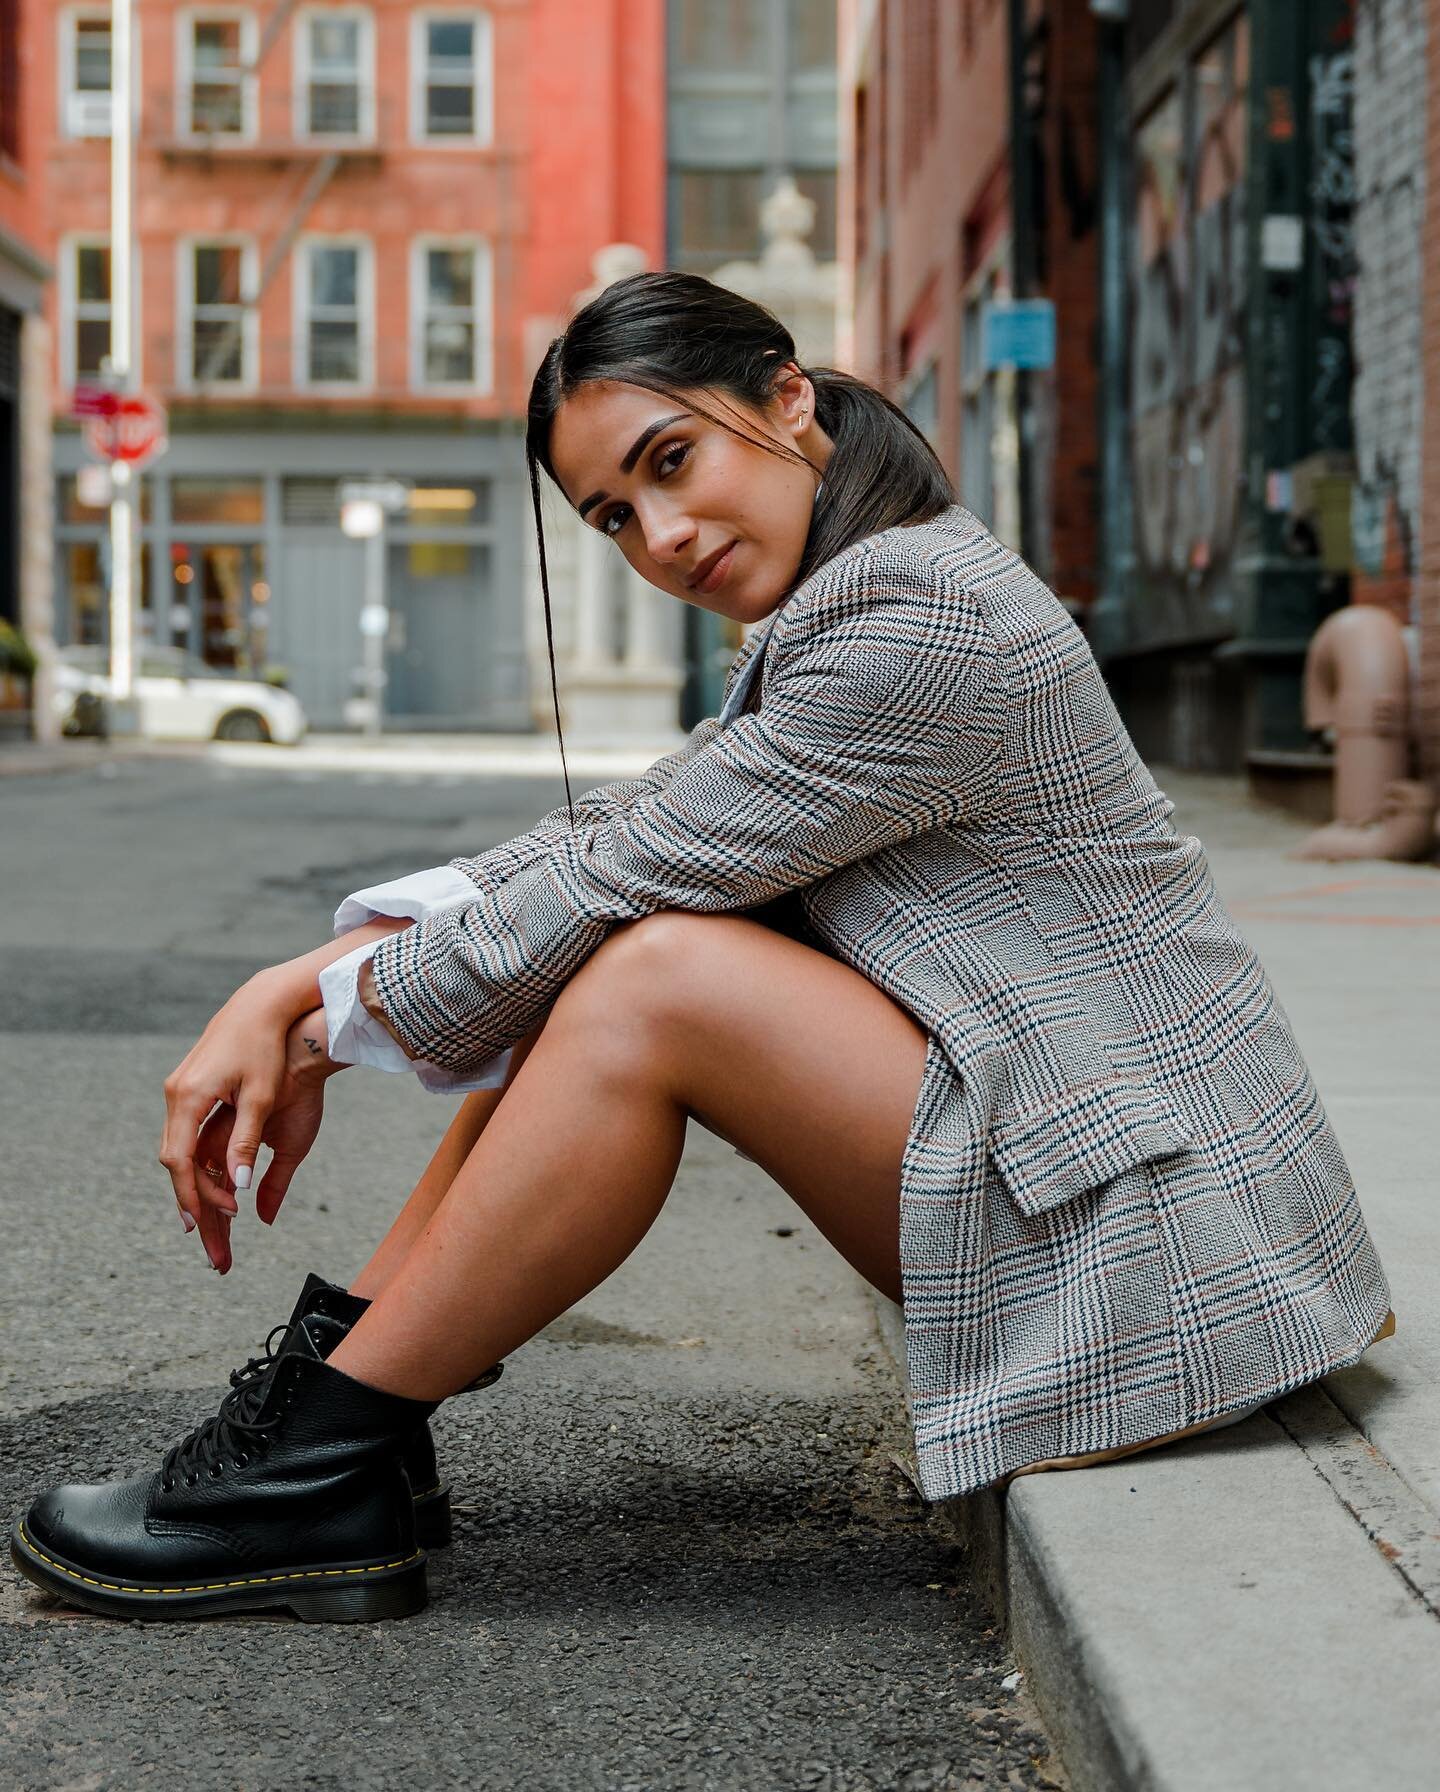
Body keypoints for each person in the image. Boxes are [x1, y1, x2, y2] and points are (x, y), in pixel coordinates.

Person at [10, 273, 1394, 1624]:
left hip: (1169, 1243)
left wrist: (315, 1013)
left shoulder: (919, 618)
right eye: (616, 514)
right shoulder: (864, 586)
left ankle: (318, 1456)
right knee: (609, 952)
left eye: (671, 461)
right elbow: (646, 822)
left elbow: (628, 866)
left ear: (789, 399)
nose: (661, 535)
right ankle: (341, 1414)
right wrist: (300, 986)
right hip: (1114, 1172)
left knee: (650, 975)